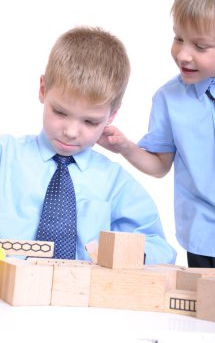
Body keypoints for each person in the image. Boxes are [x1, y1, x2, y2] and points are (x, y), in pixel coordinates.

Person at [98, 0, 215, 285]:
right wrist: (125, 147)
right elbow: (159, 166)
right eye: (178, 38)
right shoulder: (168, 98)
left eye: (200, 46)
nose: (183, 53)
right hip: (207, 238)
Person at [0, 26, 176, 264]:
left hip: (82, 297)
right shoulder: (6, 156)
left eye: (90, 121)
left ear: (112, 115)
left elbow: (159, 248)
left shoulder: (115, 183)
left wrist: (125, 256)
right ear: (43, 90)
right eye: (60, 112)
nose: (71, 132)